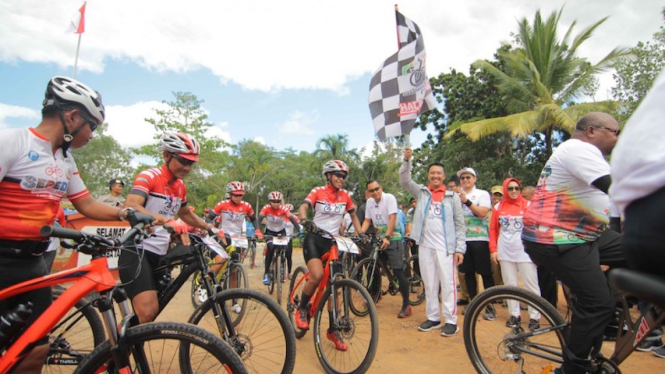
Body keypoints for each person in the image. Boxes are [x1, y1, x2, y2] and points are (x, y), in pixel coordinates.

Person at [0, 76, 152, 374]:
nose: (92, 135)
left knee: (35, 351)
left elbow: (87, 205)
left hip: (34, 266)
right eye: (91, 125)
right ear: (71, 117)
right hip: (2, 260)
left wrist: (125, 214)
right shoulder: (13, 141)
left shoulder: (65, 161)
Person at [522, 112, 626, 374]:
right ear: (592, 131)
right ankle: (572, 368)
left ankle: (596, 316)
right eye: (616, 131)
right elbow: (618, 188)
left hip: (587, 234)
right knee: (598, 303)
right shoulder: (578, 149)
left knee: (642, 252)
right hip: (556, 237)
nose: (618, 137)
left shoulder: (590, 155)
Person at [120, 132, 224, 325]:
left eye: (191, 163)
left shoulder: (180, 186)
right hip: (137, 250)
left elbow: (185, 214)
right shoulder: (149, 176)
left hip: (160, 253)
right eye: (183, 161)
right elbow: (133, 205)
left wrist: (210, 228)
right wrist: (167, 221)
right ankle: (110, 353)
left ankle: (117, 350)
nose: (187, 167)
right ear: (167, 155)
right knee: (146, 312)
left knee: (144, 317)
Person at [610, 70, 665, 358]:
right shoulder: (578, 155)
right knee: (593, 296)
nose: (615, 136)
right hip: (649, 220)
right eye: (611, 131)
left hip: (640, 223)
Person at [294, 160, 363, 351]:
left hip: (334, 242)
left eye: (343, 176)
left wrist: (360, 233)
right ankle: (302, 309)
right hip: (315, 238)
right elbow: (303, 207)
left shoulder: (346, 196)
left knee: (336, 286)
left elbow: (354, 216)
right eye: (338, 175)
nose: (341, 179)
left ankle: (333, 329)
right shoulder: (317, 191)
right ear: (328, 176)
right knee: (316, 275)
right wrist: (304, 219)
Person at [400, 148, 466, 337]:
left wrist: (460, 248)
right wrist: (406, 161)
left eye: (438, 173)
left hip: (446, 247)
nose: (435, 176)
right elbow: (404, 180)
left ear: (443, 176)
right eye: (432, 173)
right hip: (425, 246)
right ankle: (433, 317)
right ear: (428, 176)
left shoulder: (452, 197)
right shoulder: (422, 193)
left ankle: (451, 320)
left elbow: (460, 224)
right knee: (429, 283)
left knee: (448, 284)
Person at [489, 178, 541, 330]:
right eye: (510, 188)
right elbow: (493, 229)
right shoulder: (499, 206)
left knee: (531, 284)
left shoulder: (528, 205)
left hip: (525, 251)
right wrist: (493, 249)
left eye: (517, 188)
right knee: (510, 284)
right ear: (505, 190)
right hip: (505, 251)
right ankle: (514, 315)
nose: (513, 191)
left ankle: (535, 317)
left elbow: (536, 227)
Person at [360, 180, 411, 318]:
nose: (375, 192)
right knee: (374, 265)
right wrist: (359, 234)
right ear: (368, 193)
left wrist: (387, 236)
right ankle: (375, 295)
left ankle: (407, 305)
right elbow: (367, 221)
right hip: (379, 239)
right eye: (372, 190)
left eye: (377, 189)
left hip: (392, 238)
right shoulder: (370, 203)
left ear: (381, 188)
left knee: (398, 271)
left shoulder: (389, 198)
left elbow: (392, 218)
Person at [457, 167, 495, 320]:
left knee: (485, 273)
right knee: (468, 273)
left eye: (468, 177)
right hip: (463, 240)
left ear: (475, 179)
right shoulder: (456, 196)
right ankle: (473, 302)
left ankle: (490, 305)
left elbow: (482, 213)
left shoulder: (482, 194)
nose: (465, 180)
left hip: (479, 239)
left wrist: (466, 201)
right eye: (463, 178)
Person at [209, 182, 264, 268]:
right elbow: (209, 219)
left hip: (237, 239)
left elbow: (253, 219)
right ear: (230, 194)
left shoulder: (247, 206)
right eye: (236, 195)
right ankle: (210, 278)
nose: (238, 198)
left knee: (235, 268)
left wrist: (257, 230)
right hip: (224, 237)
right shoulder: (222, 204)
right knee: (219, 263)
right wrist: (214, 230)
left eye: (240, 195)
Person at [259, 191, 300, 285]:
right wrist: (257, 230)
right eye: (273, 201)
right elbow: (260, 218)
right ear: (269, 201)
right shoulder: (266, 208)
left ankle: (281, 267)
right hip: (270, 231)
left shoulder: (283, 208)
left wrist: (299, 230)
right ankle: (266, 273)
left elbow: (292, 219)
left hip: (281, 231)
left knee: (285, 249)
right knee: (271, 248)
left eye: (278, 201)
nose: (276, 203)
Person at [283, 204, 299, 278]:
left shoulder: (294, 217)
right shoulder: (281, 217)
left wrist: (299, 231)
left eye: (290, 211)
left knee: (289, 256)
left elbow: (299, 225)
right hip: (281, 238)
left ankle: (289, 272)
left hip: (289, 238)